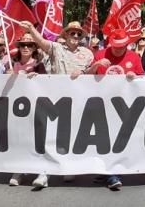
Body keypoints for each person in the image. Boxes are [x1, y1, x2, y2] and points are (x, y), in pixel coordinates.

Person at [21, 20, 93, 188]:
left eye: (78, 34)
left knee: (71, 135)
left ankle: (68, 167)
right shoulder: (56, 48)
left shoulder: (88, 53)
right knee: (50, 134)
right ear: (65, 34)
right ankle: (44, 172)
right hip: (55, 98)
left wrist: (82, 71)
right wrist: (31, 28)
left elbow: (91, 71)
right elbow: (40, 42)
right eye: (71, 33)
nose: (75, 36)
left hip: (78, 100)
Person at [84, 29, 144, 190]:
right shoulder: (101, 54)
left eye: (122, 46)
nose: (118, 49)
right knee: (103, 138)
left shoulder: (134, 57)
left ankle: (113, 173)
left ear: (127, 44)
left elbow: (143, 80)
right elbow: (86, 78)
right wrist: (96, 65)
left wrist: (135, 76)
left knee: (118, 138)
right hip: (101, 104)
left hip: (124, 106)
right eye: (115, 46)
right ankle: (107, 171)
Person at [6, 33, 47, 187]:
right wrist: (6, 76)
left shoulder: (39, 65)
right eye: (22, 45)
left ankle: (42, 171)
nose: (25, 48)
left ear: (34, 47)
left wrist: (39, 77)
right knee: (20, 139)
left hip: (36, 109)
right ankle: (19, 170)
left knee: (37, 139)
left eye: (29, 45)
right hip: (17, 110)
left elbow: (48, 85)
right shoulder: (12, 65)